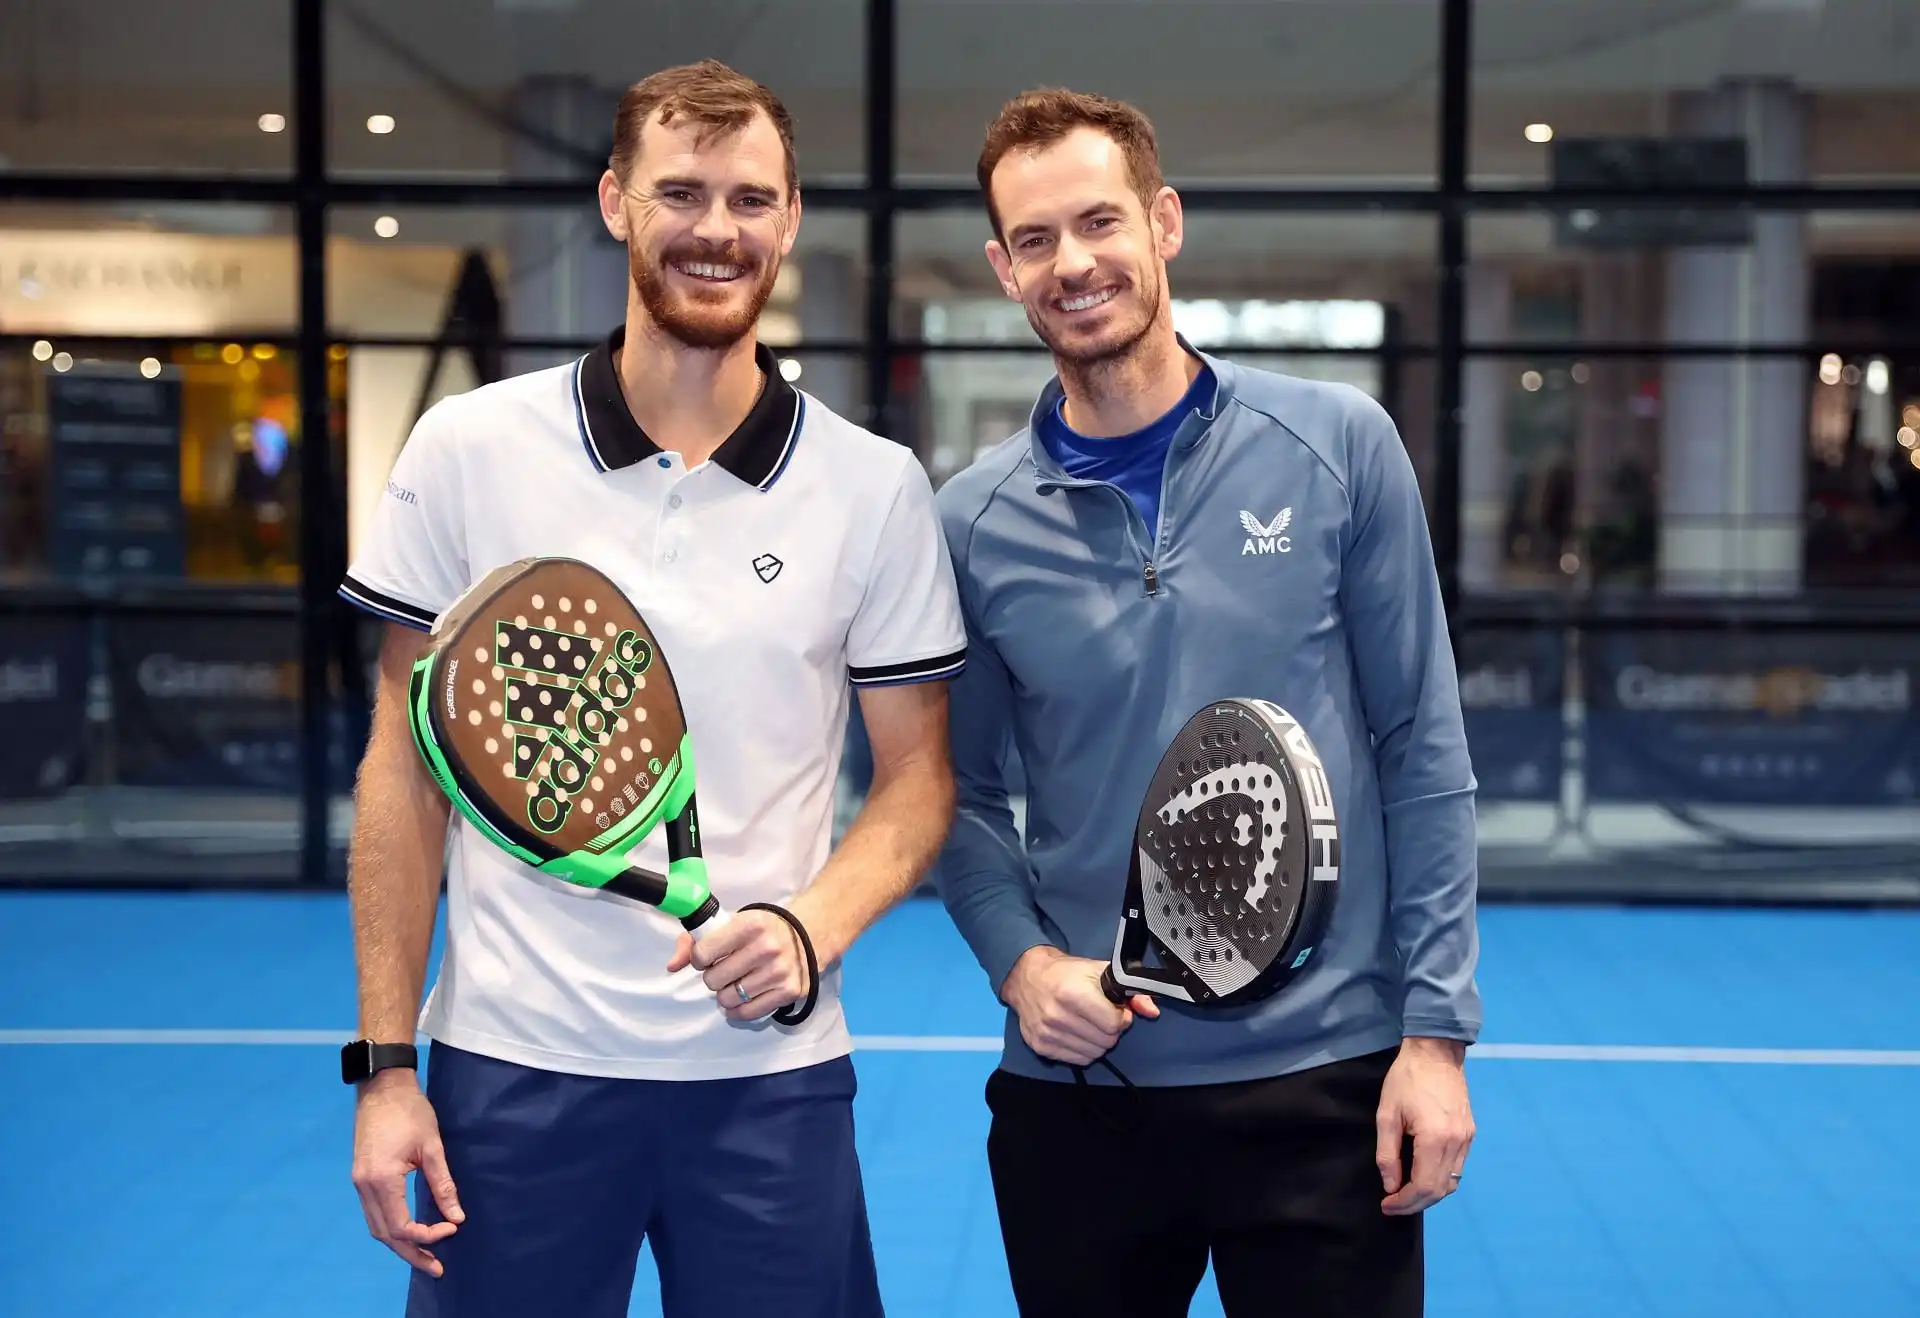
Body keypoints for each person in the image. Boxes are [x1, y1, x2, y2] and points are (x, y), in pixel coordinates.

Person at [336, 59, 965, 1318]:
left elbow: (915, 785)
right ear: (617, 201)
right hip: (512, 1077)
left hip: (773, 1085)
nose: (715, 231)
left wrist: (806, 929)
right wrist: (388, 1066)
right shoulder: (470, 447)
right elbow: (404, 766)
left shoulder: (875, 484)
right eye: (681, 193)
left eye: (749, 200)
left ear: (789, 221)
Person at [932, 87, 1481, 1317]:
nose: (1073, 263)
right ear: (1002, 266)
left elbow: (1422, 752)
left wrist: (1436, 1037)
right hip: (1083, 1095)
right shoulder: (965, 521)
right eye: (1035, 239)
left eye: (1100, 222)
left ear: (1163, 222)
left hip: (1327, 1087)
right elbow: (953, 796)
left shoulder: (1340, 443)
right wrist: (1021, 967)